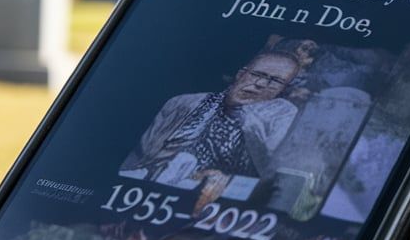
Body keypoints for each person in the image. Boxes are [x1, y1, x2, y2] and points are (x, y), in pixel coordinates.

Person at [122, 52, 302, 183]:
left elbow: (268, 171)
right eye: (257, 74)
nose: (260, 84)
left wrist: (247, 120)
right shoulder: (182, 103)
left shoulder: (283, 115)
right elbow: (138, 155)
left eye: (275, 81)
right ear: (241, 74)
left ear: (283, 91)